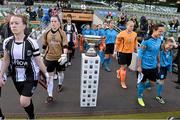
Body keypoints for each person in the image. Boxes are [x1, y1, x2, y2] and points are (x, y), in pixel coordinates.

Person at [0, 14, 49, 119]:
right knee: (26, 101)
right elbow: (6, 60)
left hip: (31, 75)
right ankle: (30, 113)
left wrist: (47, 74)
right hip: (16, 77)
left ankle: (31, 117)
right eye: (11, 23)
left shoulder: (32, 42)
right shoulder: (7, 42)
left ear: (24, 26)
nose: (13, 25)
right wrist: (1, 75)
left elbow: (39, 61)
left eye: (16, 23)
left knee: (23, 101)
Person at [137, 23, 165, 107]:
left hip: (154, 66)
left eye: (162, 32)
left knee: (152, 83)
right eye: (160, 31)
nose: (161, 33)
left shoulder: (160, 40)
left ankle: (140, 88)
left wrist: (159, 62)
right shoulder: (146, 40)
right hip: (144, 66)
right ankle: (139, 96)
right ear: (154, 30)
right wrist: (139, 66)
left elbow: (158, 52)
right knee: (142, 82)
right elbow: (140, 53)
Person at [42, 15, 68, 103]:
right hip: (49, 58)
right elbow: (45, 45)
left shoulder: (62, 33)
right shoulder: (46, 32)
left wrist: (64, 55)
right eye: (51, 21)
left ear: (59, 23)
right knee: (50, 77)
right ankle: (50, 96)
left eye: (55, 21)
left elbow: (65, 45)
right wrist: (42, 54)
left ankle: (60, 84)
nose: (53, 23)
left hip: (60, 58)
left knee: (60, 73)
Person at [114, 21, 138, 89]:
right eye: (130, 26)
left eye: (133, 26)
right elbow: (117, 43)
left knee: (126, 65)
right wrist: (115, 52)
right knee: (124, 67)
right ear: (126, 26)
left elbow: (135, 42)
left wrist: (136, 48)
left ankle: (119, 71)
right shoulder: (121, 33)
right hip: (122, 52)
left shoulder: (135, 34)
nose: (132, 27)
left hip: (130, 52)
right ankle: (122, 82)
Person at [155, 37, 176, 104]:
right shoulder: (160, 49)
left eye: (171, 46)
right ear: (165, 44)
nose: (170, 47)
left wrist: (170, 69)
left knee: (160, 81)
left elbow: (170, 60)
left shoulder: (170, 51)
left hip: (165, 68)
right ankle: (158, 96)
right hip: (159, 68)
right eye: (169, 45)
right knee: (159, 82)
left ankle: (158, 95)